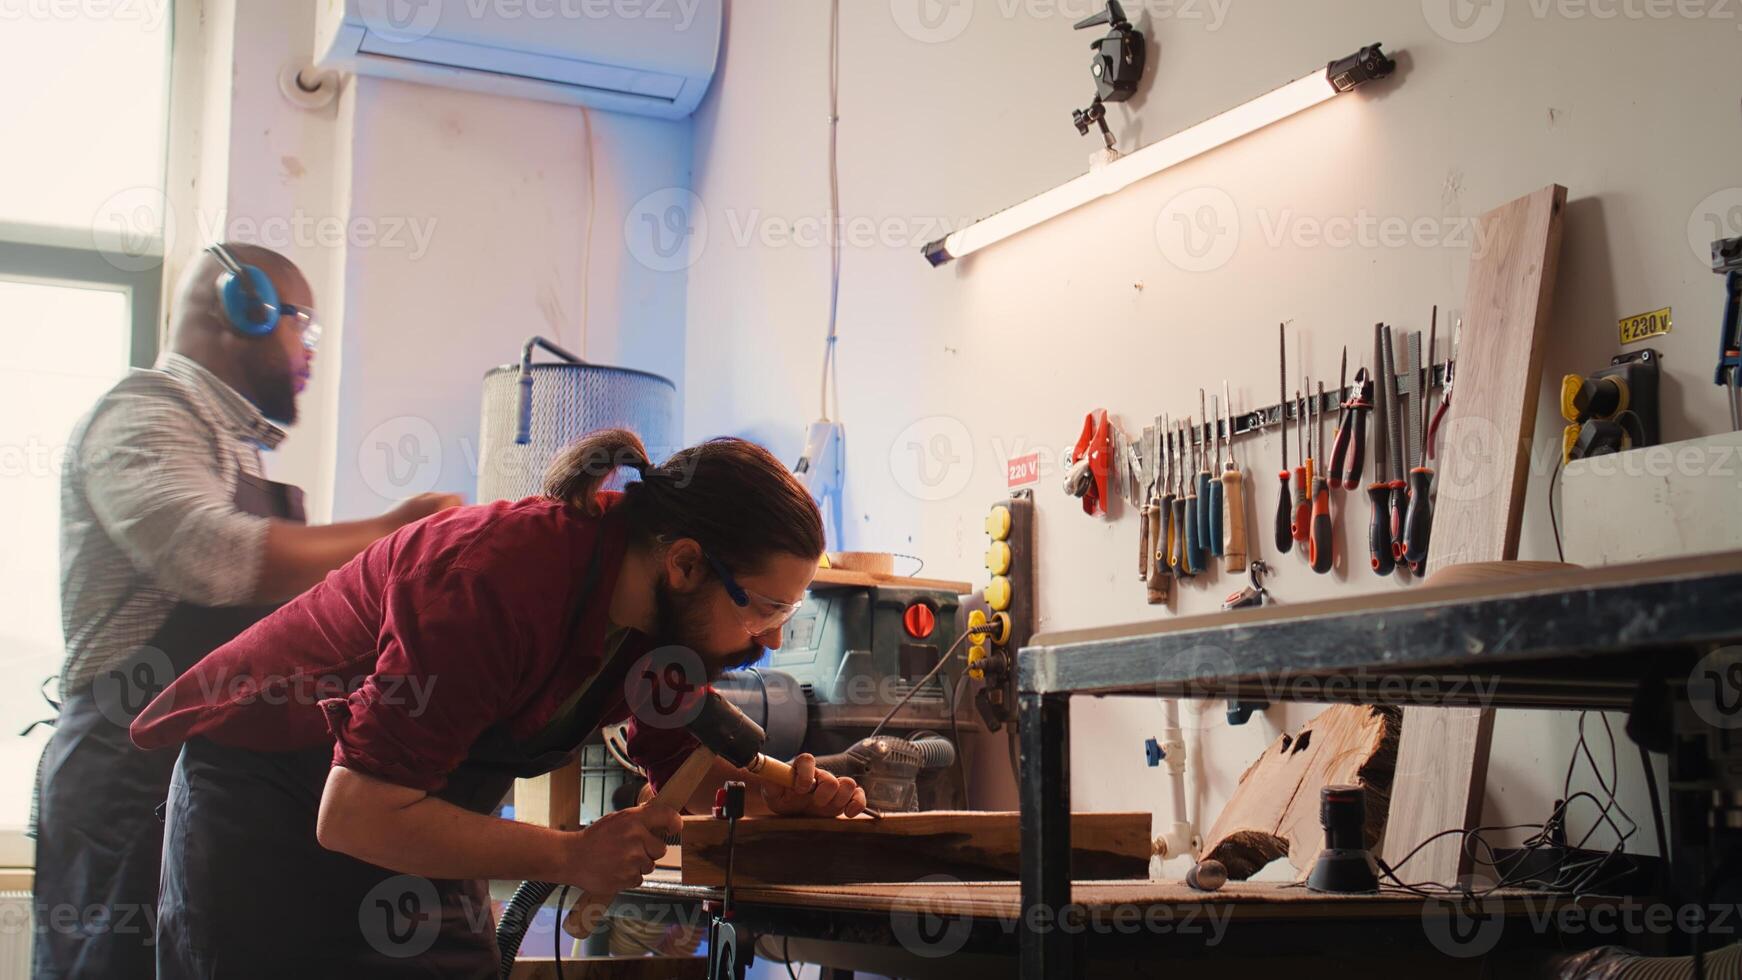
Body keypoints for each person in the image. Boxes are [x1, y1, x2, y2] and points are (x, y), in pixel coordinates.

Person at [130, 427, 865, 979]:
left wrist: (780, 806)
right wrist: (573, 855)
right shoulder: (494, 581)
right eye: (765, 607)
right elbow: (352, 811)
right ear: (684, 564)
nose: (768, 642)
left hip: (408, 812)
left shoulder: (656, 629)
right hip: (271, 814)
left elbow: (689, 777)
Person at [32, 242, 459, 980]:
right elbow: (209, 553)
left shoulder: (230, 449)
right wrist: (392, 534)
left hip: (190, 778)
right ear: (247, 307)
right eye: (306, 328)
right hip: (125, 779)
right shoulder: (140, 416)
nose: (311, 354)